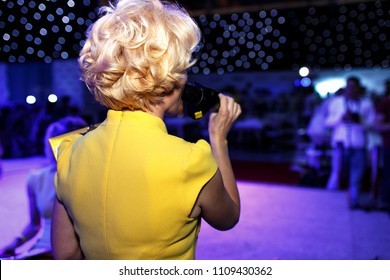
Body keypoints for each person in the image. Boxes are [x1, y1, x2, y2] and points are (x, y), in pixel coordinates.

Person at [51, 0, 241, 260]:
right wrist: (219, 140)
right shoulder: (190, 159)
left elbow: (65, 255)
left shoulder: (69, 152)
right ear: (172, 81)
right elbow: (228, 218)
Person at [0, 116, 87, 259]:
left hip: (75, 254)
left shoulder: (88, 177)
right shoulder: (37, 178)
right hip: (42, 250)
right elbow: (34, 225)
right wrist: (15, 243)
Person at [324, 76, 376, 208]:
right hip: (341, 143)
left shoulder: (366, 104)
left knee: (356, 176)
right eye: (349, 87)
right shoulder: (336, 102)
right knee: (336, 173)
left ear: (359, 88)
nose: (351, 90)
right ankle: (331, 203)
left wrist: (359, 120)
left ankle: (353, 201)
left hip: (359, 144)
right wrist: (341, 118)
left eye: (354, 87)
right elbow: (328, 122)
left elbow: (373, 125)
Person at [374, 79, 390, 211]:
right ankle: (384, 203)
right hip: (388, 145)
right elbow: (377, 126)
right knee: (388, 176)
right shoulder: (385, 103)